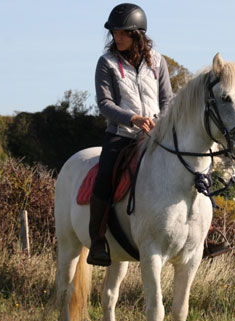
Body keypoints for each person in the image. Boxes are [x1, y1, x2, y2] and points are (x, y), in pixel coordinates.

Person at [88, 3, 173, 266]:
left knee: (192, 170)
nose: (117, 37)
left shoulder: (158, 62)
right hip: (121, 134)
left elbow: (167, 99)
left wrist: (161, 123)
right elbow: (105, 104)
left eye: (123, 32)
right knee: (104, 176)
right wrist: (133, 118)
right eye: (114, 32)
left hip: (156, 135)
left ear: (138, 34)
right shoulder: (107, 63)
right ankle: (98, 240)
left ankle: (204, 236)